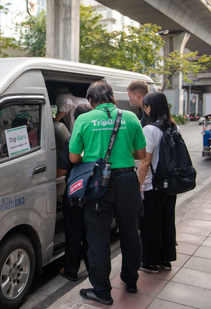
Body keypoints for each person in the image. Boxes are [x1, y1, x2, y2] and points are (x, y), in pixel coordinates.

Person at [69, 81, 146, 305]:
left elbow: (74, 158)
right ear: (112, 97)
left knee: (98, 238)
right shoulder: (131, 118)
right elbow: (141, 154)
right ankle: (130, 281)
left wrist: (94, 154)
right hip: (126, 180)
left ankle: (102, 291)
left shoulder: (84, 119)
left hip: (97, 184)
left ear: (91, 101)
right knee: (131, 232)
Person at [137, 91, 178, 274]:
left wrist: (139, 185)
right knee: (167, 221)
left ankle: (150, 262)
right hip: (170, 184)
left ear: (149, 107)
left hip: (153, 184)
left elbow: (146, 161)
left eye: (145, 106)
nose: (144, 110)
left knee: (150, 223)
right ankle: (165, 259)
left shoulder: (150, 129)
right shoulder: (174, 127)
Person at [57, 104, 92, 282]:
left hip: (75, 194)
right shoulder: (99, 138)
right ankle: (93, 270)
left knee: (73, 233)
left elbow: (62, 170)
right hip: (94, 193)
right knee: (91, 234)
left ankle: (71, 270)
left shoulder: (72, 140)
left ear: (76, 119)